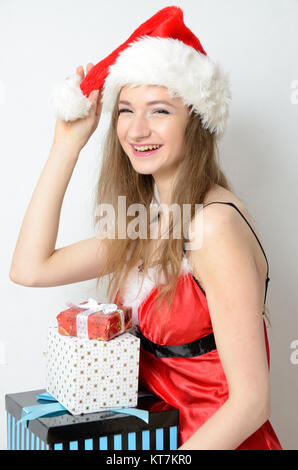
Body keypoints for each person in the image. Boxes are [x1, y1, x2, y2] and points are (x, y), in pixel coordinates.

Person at [9, 6, 282, 450]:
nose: (137, 130)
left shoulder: (213, 227)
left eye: (159, 110)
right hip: (159, 441)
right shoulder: (149, 223)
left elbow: (251, 403)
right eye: (125, 110)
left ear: (195, 121)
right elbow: (29, 269)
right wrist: (65, 146)